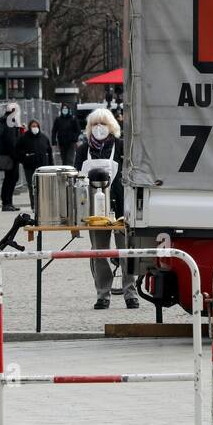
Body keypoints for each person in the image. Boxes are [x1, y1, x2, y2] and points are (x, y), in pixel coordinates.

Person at [74, 108, 139, 310]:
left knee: (126, 250)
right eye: (95, 124)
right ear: (89, 127)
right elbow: (76, 178)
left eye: (103, 123)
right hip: (94, 210)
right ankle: (103, 294)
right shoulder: (83, 149)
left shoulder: (121, 146)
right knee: (99, 252)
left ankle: (130, 292)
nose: (99, 128)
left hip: (121, 208)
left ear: (111, 126)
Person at [13, 118, 53, 212]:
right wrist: (24, 159)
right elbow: (17, 151)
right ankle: (34, 206)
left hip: (43, 167)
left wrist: (51, 165)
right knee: (32, 186)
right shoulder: (24, 138)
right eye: (33, 126)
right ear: (30, 127)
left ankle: (44, 205)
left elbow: (49, 152)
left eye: (36, 126)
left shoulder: (44, 137)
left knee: (43, 187)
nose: (35, 128)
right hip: (29, 167)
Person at [0, 103, 23, 212]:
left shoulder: (6, 120)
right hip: (11, 155)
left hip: (8, 154)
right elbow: (11, 141)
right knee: (11, 178)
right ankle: (7, 202)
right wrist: (16, 154)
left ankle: (8, 202)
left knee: (10, 178)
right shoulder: (10, 122)